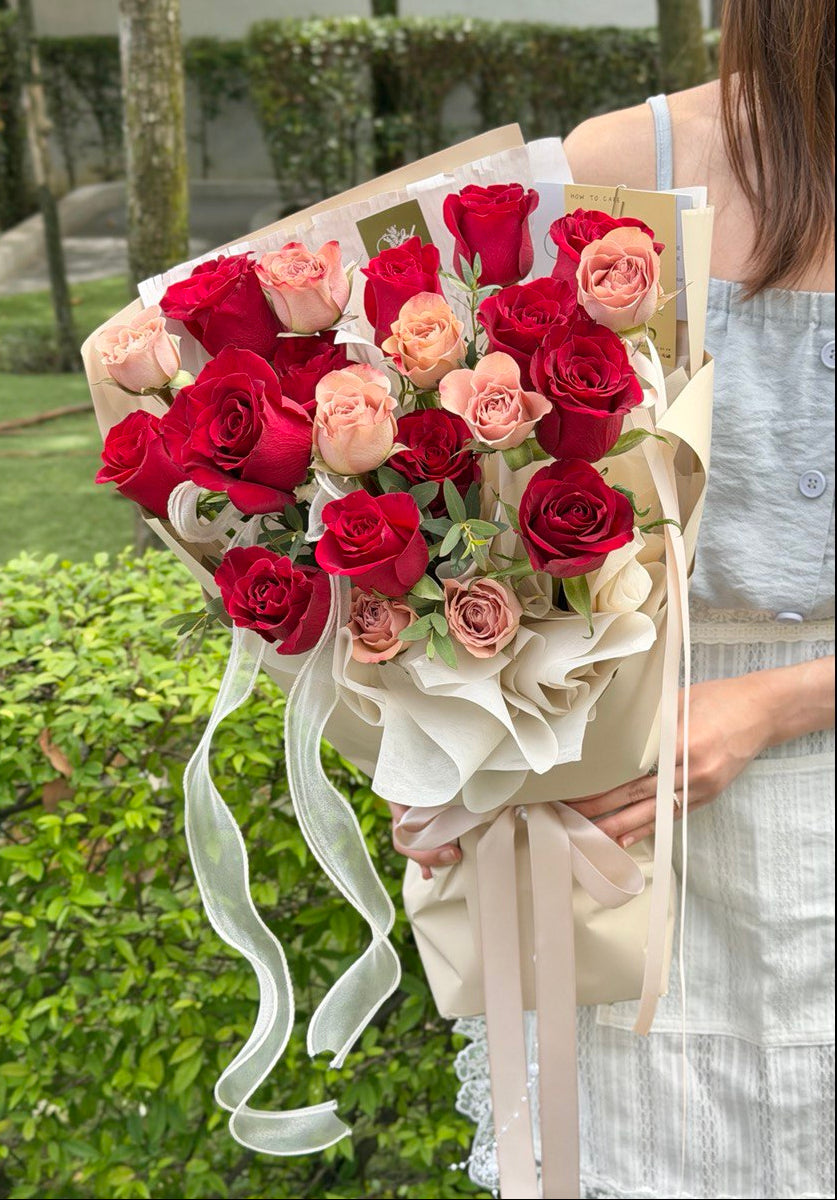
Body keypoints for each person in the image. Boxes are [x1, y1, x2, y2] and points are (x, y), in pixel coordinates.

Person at [390, 0, 836, 1195]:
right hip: (624, 819)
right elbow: (496, 513)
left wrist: (774, 705)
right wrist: (452, 746)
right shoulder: (619, 166)